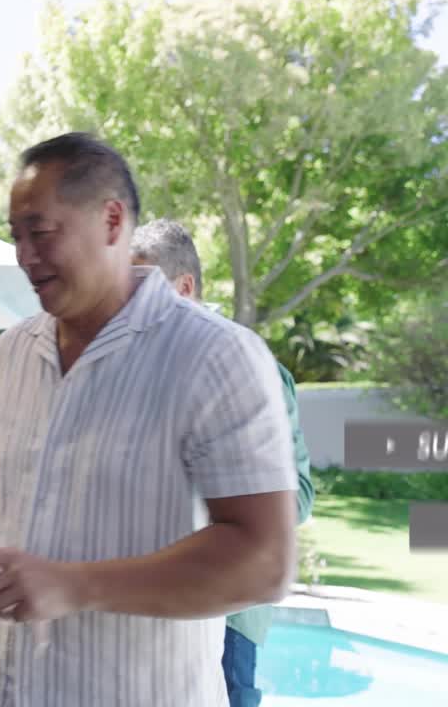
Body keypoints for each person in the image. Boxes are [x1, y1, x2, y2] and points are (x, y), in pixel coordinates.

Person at [0, 133, 298, 706]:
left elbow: (263, 561)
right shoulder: (12, 353)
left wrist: (75, 584)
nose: (24, 255)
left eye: (41, 232)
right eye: (16, 237)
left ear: (112, 220)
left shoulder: (217, 357)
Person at [131, 217, 315, 707]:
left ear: (184, 287)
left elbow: (297, 496)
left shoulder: (251, 370)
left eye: (139, 292)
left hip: (229, 612)